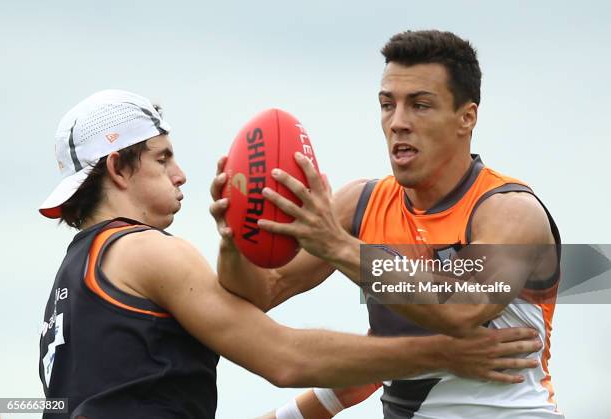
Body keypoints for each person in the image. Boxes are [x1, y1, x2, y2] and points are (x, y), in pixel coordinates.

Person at [37, 90, 541, 419]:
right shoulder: (146, 252)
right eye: (163, 157)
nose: (181, 173)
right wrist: (442, 354)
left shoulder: (74, 276)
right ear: (118, 169)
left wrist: (233, 240)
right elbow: (284, 357)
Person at [210, 30, 563, 418]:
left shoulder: (508, 210)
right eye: (386, 105)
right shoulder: (361, 204)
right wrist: (235, 235)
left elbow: (464, 307)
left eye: (420, 105)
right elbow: (260, 293)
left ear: (467, 117)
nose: (398, 122)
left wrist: (340, 247)